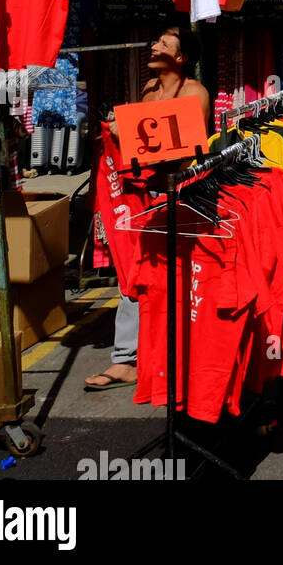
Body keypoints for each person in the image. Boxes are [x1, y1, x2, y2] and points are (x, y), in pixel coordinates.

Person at [86, 25, 210, 394]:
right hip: (142, 193)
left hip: (178, 197)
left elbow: (184, 147)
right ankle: (127, 359)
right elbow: (140, 139)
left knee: (178, 278)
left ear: (181, 57)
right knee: (134, 270)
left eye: (163, 43)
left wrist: (126, 132)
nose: (153, 45)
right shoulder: (149, 90)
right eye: (156, 40)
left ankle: (171, 354)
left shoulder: (196, 93)